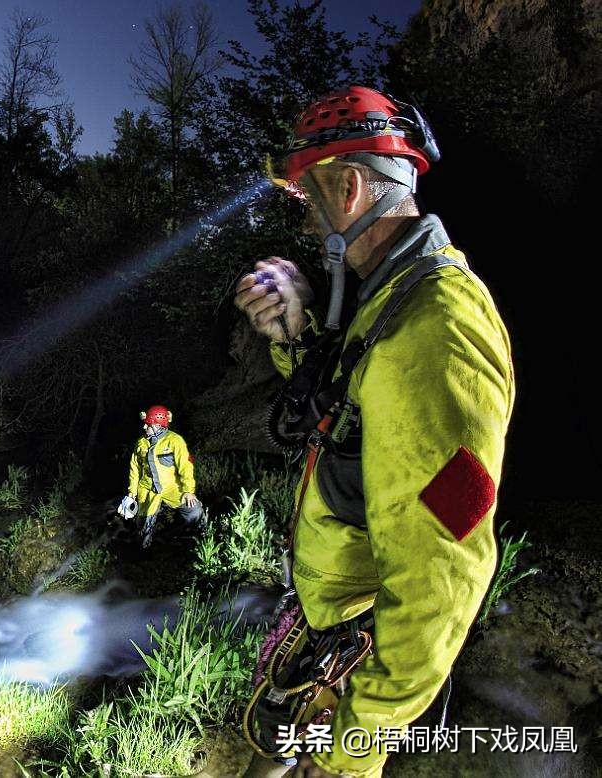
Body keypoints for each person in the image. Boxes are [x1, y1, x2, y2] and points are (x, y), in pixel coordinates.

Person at [234, 86, 513, 777]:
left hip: (358, 655)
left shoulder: (436, 328)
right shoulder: (392, 297)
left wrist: (354, 744)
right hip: (329, 619)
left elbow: (443, 571)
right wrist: (292, 339)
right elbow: (346, 418)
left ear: (351, 187)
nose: (304, 223)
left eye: (307, 200)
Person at [120, 404, 205, 548]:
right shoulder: (141, 443)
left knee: (194, 511)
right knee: (143, 529)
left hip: (171, 487)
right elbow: (134, 469)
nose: (144, 428)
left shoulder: (175, 441)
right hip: (147, 490)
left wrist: (188, 491)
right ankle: (143, 551)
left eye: (148, 425)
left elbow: (185, 466)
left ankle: (198, 538)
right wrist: (131, 493)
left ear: (159, 426)